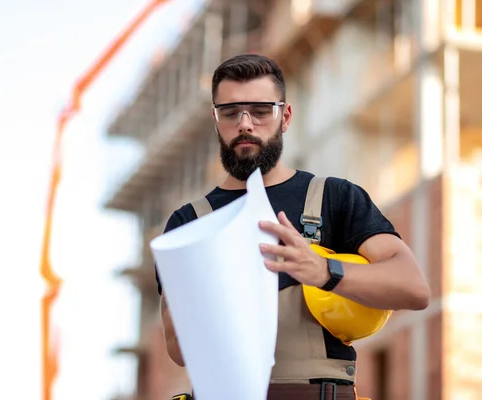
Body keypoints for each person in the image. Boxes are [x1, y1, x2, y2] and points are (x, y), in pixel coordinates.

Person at [156, 53, 430, 400]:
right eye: (230, 112)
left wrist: (323, 270)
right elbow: (179, 351)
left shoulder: (335, 197)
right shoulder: (189, 223)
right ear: (216, 121)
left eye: (259, 111)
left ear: (284, 116)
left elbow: (414, 288)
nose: (245, 124)